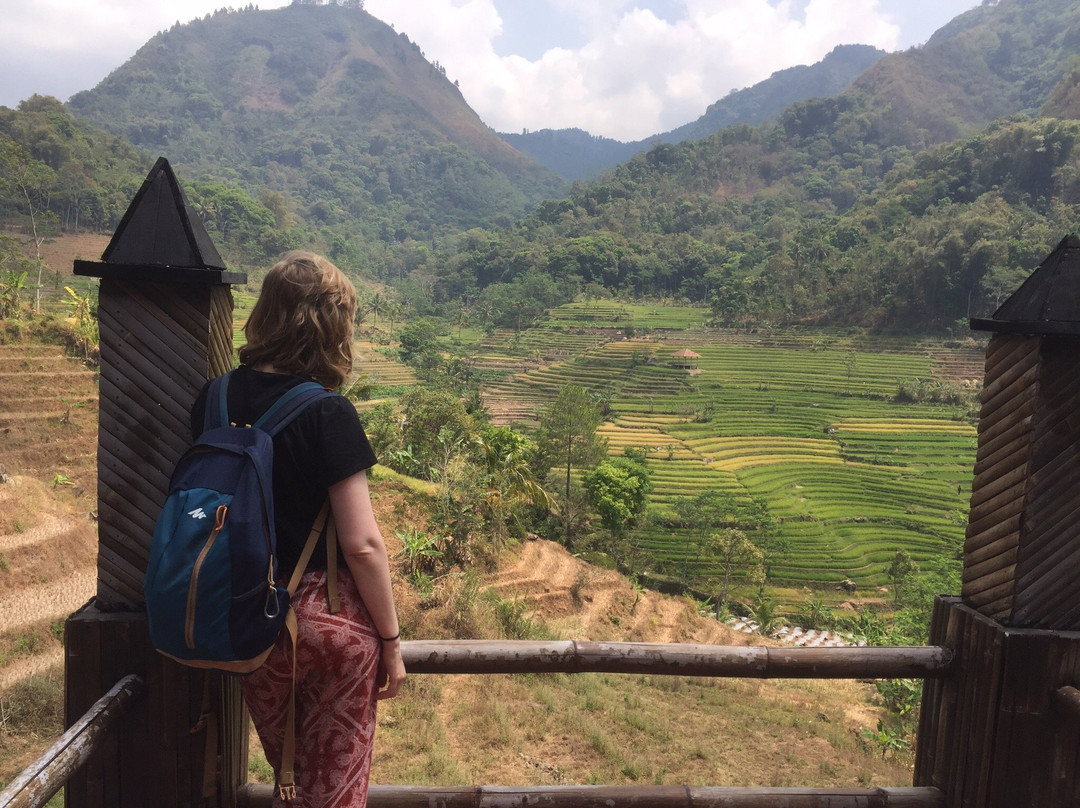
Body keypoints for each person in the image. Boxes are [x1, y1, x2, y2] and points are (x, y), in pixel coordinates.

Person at [191, 250, 406, 806]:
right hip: (323, 621)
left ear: (266, 311)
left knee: (291, 780)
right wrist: (390, 640)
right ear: (333, 325)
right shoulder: (327, 412)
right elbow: (361, 545)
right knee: (329, 790)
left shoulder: (212, 399)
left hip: (244, 620)